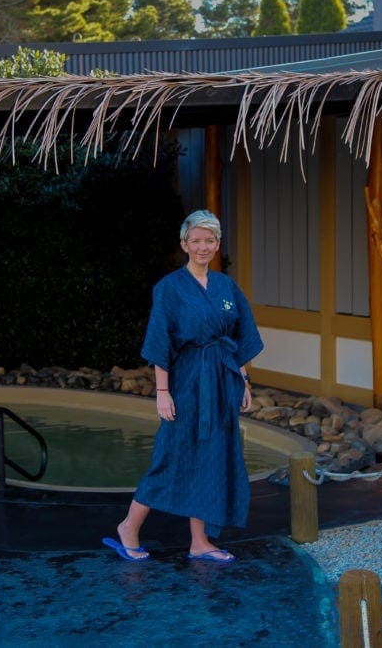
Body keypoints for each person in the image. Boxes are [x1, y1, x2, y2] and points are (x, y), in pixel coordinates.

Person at [102, 209, 263, 563]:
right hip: (187, 382)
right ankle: (128, 526)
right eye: (196, 240)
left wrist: (244, 381)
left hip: (222, 382)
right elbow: (160, 341)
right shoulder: (170, 288)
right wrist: (162, 392)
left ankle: (199, 541)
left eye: (210, 240)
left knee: (212, 458)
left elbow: (241, 337)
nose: (203, 247)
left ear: (218, 244)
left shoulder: (226, 287)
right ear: (184, 244)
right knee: (172, 456)